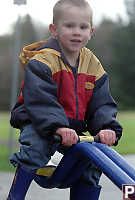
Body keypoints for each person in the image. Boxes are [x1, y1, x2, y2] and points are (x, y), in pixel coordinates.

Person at [7, 0, 122, 199]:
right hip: (40, 122)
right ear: (54, 30)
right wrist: (58, 127)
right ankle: (15, 196)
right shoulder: (42, 61)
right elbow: (41, 101)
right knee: (35, 145)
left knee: (95, 159)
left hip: (73, 129)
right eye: (69, 26)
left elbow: (102, 102)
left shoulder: (93, 64)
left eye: (83, 27)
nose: (77, 31)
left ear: (91, 32)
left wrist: (107, 128)